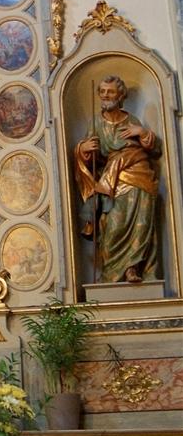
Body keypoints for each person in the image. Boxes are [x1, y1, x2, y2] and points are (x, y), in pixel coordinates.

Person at [74, 75, 161, 283]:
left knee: (141, 224)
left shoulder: (132, 121)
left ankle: (133, 268)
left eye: (110, 92)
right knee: (112, 228)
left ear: (120, 95)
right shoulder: (95, 123)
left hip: (140, 178)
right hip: (112, 184)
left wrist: (142, 133)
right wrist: (83, 150)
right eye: (102, 91)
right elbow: (91, 159)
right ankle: (112, 272)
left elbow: (154, 150)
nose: (105, 95)